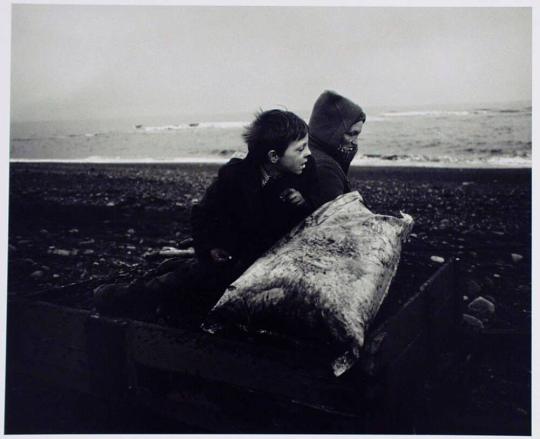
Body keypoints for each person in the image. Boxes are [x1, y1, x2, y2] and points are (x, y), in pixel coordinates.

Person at [93, 109, 316, 315]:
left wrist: (303, 202)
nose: (308, 153)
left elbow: (317, 213)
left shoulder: (304, 171)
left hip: (270, 258)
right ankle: (123, 296)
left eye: (307, 145)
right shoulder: (235, 177)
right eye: (300, 148)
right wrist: (211, 247)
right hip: (231, 256)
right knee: (189, 281)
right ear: (274, 157)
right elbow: (202, 214)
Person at [308, 90, 366, 206]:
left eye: (357, 135)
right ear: (331, 131)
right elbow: (336, 220)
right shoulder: (325, 168)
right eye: (351, 134)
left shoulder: (309, 152)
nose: (355, 142)